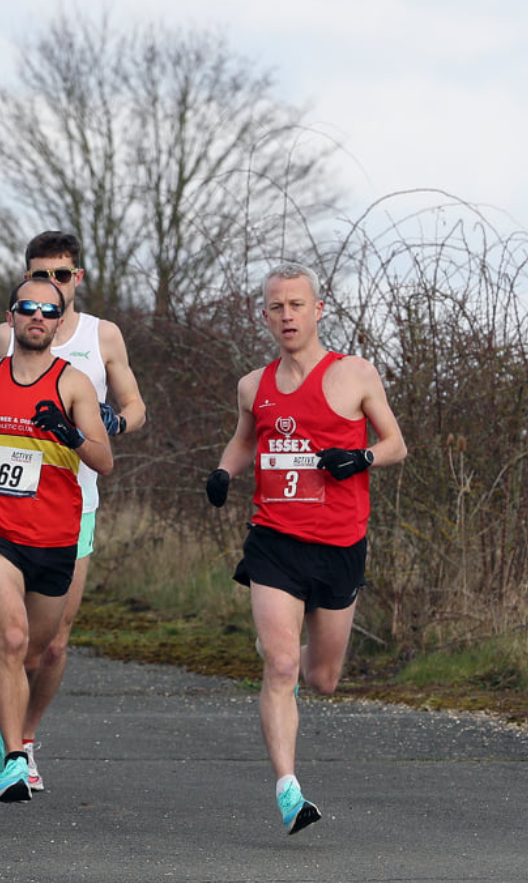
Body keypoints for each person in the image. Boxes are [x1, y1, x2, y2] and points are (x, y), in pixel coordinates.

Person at [205, 263, 406, 834]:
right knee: (281, 663)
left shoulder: (355, 374)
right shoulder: (254, 385)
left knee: (321, 678)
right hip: (274, 541)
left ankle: (302, 710)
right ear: (264, 315)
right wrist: (224, 472)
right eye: (276, 306)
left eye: (296, 305)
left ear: (318, 310)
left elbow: (396, 443)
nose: (286, 315)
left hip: (340, 545)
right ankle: (289, 789)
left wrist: (361, 458)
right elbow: (244, 441)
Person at [0, 230, 145, 792]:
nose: (49, 287)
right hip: (8, 505)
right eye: (39, 275)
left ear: (77, 280)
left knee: (54, 644)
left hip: (77, 502)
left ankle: (17, 722)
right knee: (15, 637)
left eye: (61, 277)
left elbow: (135, 405)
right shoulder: (7, 332)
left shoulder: (102, 335)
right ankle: (19, 750)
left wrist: (112, 424)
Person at [0, 276, 113, 802]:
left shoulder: (75, 383)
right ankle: (13, 760)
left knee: (34, 653)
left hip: (55, 535)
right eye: (27, 307)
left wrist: (71, 434)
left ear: (58, 321)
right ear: (11, 316)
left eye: (48, 310)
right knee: (10, 638)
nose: (37, 316)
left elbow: (104, 460)